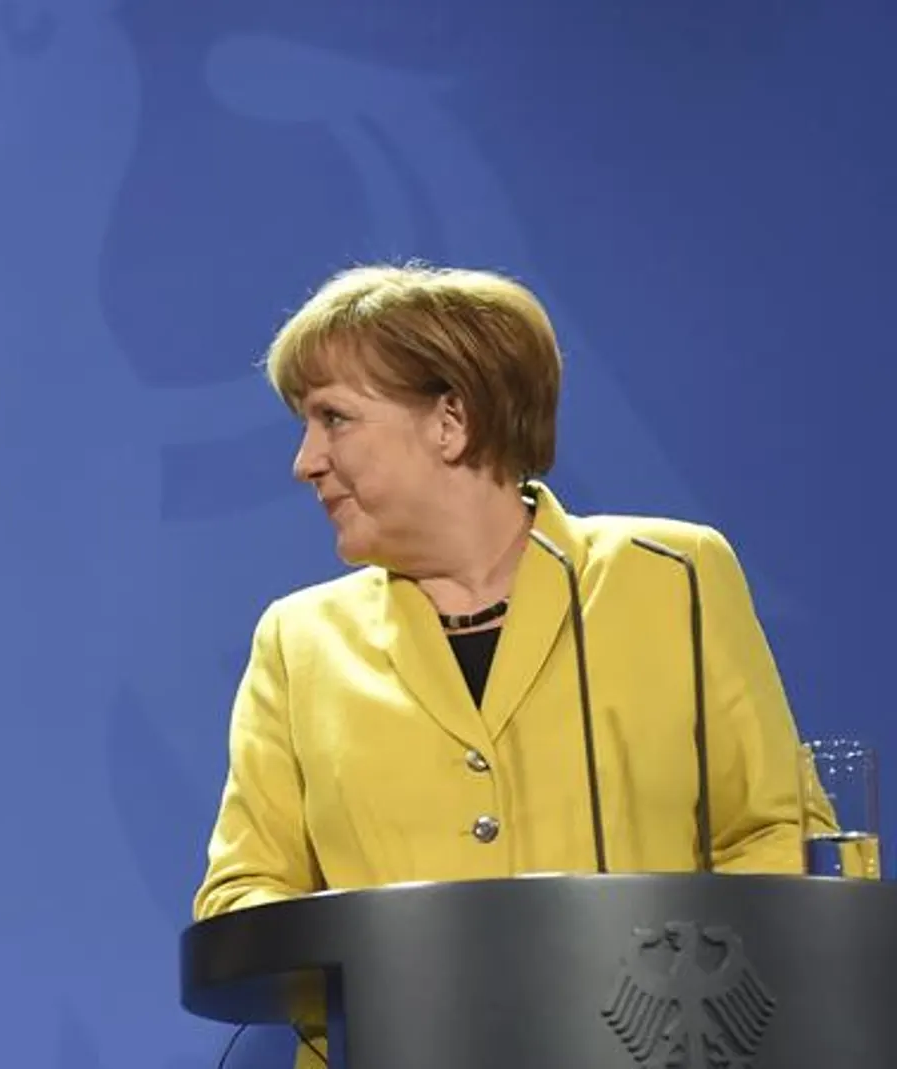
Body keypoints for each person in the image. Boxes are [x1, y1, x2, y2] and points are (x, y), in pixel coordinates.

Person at [191, 262, 814, 1065]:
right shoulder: (297, 638)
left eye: (333, 418)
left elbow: (775, 835)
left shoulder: (672, 574)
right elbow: (241, 898)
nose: (305, 460)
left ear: (450, 419)